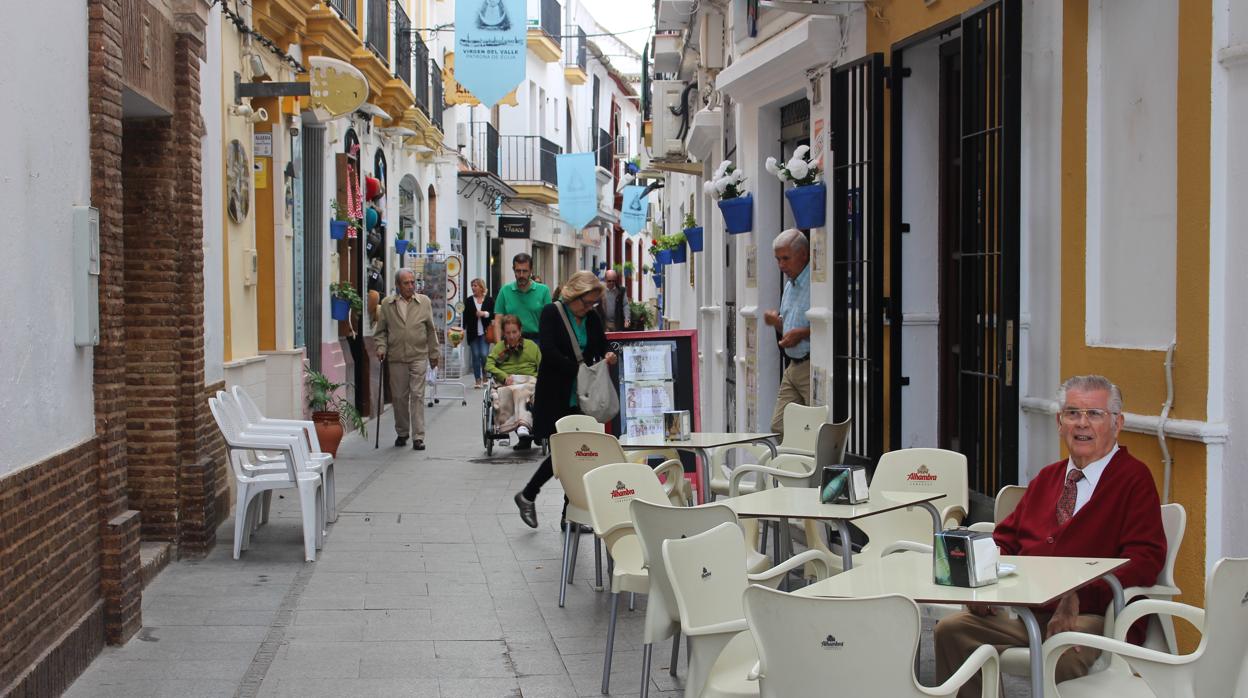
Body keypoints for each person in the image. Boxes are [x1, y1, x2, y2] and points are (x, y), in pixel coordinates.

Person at [934, 375, 1167, 698]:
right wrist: (982, 577)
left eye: (1094, 414)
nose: (1081, 424)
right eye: (1072, 413)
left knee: (1062, 651)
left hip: (1094, 617)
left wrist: (1079, 592)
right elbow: (1005, 539)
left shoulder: (1134, 479)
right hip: (1031, 612)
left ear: (1117, 423)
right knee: (952, 630)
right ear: (1060, 422)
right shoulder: (1048, 478)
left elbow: (1144, 559)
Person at [513, 271, 617, 528]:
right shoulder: (552, 312)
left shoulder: (591, 318)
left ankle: (560, 510)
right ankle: (536, 498)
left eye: (593, 303)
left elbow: (601, 345)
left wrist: (609, 354)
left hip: (582, 396)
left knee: (577, 453)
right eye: (586, 302)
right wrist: (578, 371)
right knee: (567, 452)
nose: (589, 307)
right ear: (573, 294)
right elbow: (547, 351)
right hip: (555, 394)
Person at [374, 268, 440, 450]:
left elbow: (430, 329)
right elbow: (380, 332)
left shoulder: (423, 302)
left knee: (417, 395)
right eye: (406, 283)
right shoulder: (387, 304)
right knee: (399, 397)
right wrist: (381, 348)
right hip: (396, 357)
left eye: (413, 282)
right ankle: (402, 432)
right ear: (397, 285)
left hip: (418, 355)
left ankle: (418, 436)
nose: (411, 286)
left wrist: (434, 354)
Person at [763, 229, 811, 437]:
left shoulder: (815, 283)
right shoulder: (791, 285)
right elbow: (788, 328)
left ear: (804, 255)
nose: (781, 265)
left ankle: (810, 468)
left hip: (810, 366)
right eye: (777, 259)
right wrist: (777, 323)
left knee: (815, 427)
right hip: (793, 366)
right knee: (780, 426)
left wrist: (801, 333)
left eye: (785, 258)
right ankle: (795, 467)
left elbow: (832, 325)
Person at [487, 315, 542, 445]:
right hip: (508, 380)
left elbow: (542, 365)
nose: (511, 336)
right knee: (507, 391)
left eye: (514, 332)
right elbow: (489, 364)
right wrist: (503, 376)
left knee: (521, 390)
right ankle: (510, 426)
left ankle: (523, 424)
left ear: (520, 330)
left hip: (528, 380)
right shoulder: (500, 347)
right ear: (503, 333)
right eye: (508, 333)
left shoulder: (532, 346)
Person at [493, 253, 551, 342]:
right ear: (513, 269)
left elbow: (549, 321)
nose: (521, 275)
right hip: (511, 341)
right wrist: (498, 346)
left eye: (525, 271)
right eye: (518, 271)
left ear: (531, 270)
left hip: (537, 341)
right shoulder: (505, 291)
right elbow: (498, 321)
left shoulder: (544, 290)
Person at [464, 278, 494, 389]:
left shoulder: (489, 300)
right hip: (473, 333)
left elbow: (493, 314)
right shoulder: (468, 300)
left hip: (485, 333)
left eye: (475, 285)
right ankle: (477, 379)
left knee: (484, 354)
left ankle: (485, 376)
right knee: (475, 356)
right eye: (472, 285)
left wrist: (484, 313)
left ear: (481, 287)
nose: (473, 288)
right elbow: (465, 316)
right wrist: (462, 330)